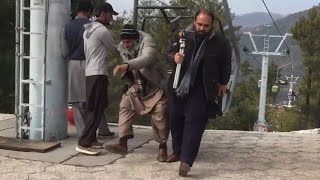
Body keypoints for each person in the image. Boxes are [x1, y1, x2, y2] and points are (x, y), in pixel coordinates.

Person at [166, 9, 232, 176]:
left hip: (202, 88)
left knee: (194, 125)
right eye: (199, 24)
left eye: (206, 25)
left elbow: (225, 64)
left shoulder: (220, 43)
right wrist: (174, 57)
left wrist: (223, 83)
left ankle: (186, 161)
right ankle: (177, 151)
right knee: (175, 120)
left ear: (212, 25)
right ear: (195, 21)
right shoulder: (182, 36)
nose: (202, 28)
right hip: (178, 86)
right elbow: (167, 53)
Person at [104, 24, 169, 162]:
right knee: (125, 105)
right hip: (137, 84)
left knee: (160, 115)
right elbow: (129, 67)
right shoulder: (122, 46)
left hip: (155, 84)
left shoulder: (148, 42)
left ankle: (163, 146)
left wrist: (127, 65)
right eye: (123, 42)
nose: (125, 45)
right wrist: (128, 81)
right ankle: (123, 143)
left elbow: (147, 59)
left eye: (128, 42)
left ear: (135, 39)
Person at [64, 0, 115, 140]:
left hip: (74, 63)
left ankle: (83, 133)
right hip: (93, 64)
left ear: (77, 11)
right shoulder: (94, 27)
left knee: (77, 101)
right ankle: (102, 130)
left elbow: (64, 50)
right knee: (95, 100)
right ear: (90, 11)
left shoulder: (68, 26)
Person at [76, 2, 118, 155]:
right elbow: (115, 49)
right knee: (96, 108)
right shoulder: (102, 30)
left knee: (93, 107)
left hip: (90, 72)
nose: (112, 18)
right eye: (110, 15)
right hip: (98, 73)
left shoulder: (88, 29)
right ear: (104, 13)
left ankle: (92, 139)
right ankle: (84, 142)